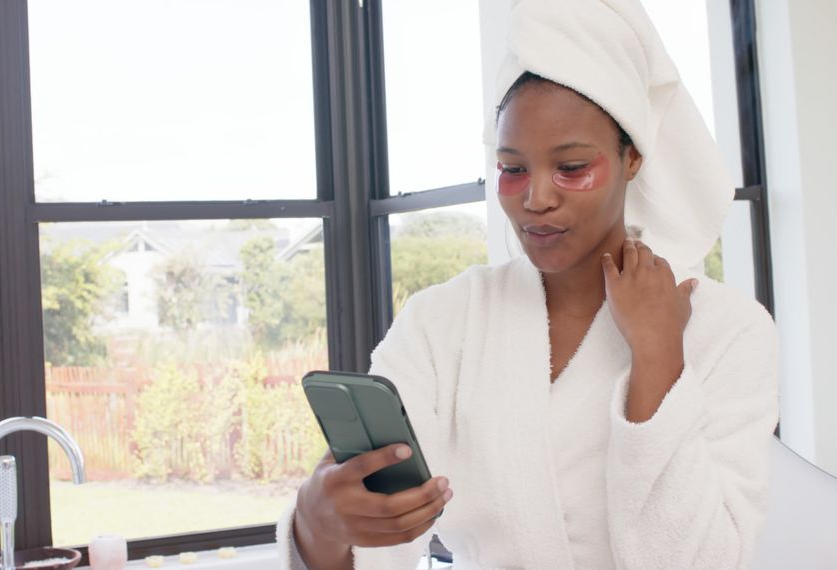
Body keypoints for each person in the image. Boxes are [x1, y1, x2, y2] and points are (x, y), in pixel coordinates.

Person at [277, 0, 779, 568]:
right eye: (513, 168)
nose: (536, 198)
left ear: (632, 158)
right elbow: (378, 542)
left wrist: (660, 357)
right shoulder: (444, 321)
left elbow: (706, 561)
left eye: (571, 167)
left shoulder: (729, 331)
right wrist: (319, 528)